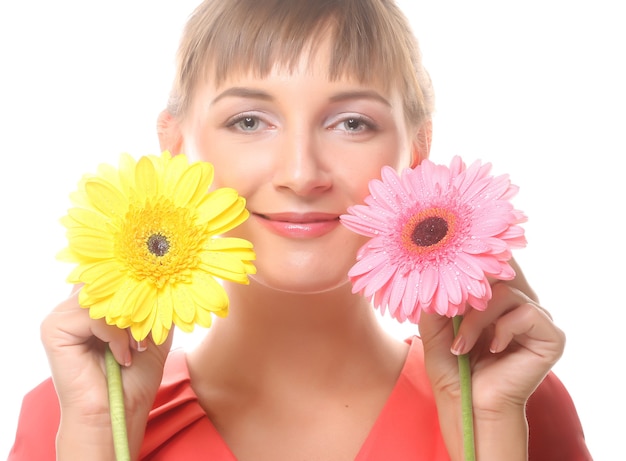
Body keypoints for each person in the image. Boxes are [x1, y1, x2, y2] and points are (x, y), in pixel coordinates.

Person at [8, 1, 592, 460]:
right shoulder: (72, 411)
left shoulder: (513, 400)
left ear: (417, 150)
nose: (300, 173)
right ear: (175, 145)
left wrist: (489, 429)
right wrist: (95, 437)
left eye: (352, 123)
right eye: (248, 121)